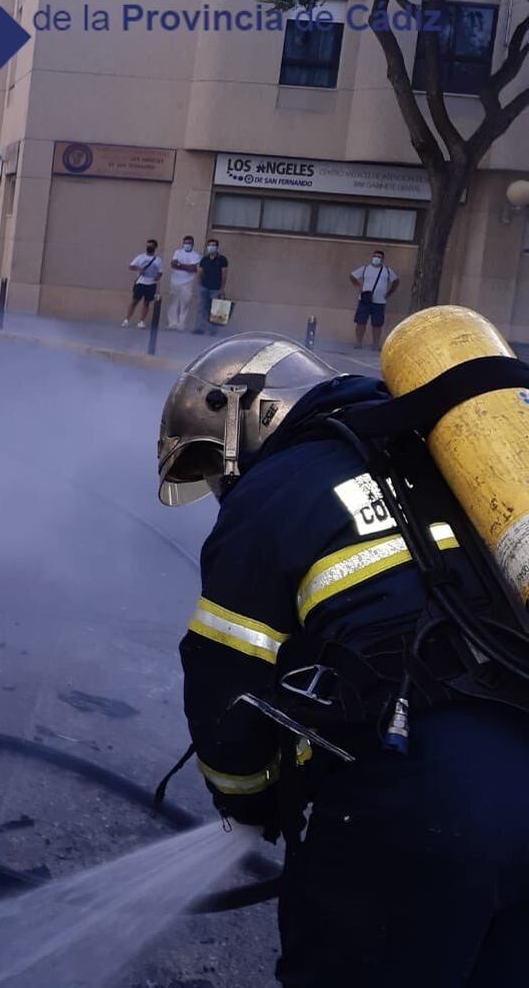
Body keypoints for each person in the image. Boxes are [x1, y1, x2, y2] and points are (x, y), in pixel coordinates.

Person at [156, 334, 529, 987]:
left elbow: (224, 678)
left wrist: (250, 801)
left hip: (414, 811)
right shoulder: (430, 451)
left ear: (248, 414)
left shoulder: (275, 492)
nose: (222, 484)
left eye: (215, 462)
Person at [350, 251, 399, 350]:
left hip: (379, 302)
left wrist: (389, 293)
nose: (377, 258)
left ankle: (375, 344)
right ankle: (358, 342)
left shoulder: (387, 270)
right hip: (365, 300)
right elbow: (352, 276)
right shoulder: (365, 268)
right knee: (361, 322)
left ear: (382, 259)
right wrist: (359, 286)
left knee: (377, 324)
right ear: (372, 257)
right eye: (375, 256)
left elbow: (396, 281)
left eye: (379, 257)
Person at [192, 238, 229, 335]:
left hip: (216, 288)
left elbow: (224, 274)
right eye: (209, 245)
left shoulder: (222, 260)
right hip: (204, 286)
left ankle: (213, 330)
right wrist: (200, 284)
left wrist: (222, 288)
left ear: (217, 247)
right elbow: (199, 272)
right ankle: (200, 328)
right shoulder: (204, 259)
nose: (211, 247)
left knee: (215, 309)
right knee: (201, 308)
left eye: (213, 245)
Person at [123, 238, 162, 328]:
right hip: (140, 282)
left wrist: (157, 276)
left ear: (155, 247)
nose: (149, 247)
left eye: (151, 245)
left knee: (146, 302)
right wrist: (139, 269)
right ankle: (126, 320)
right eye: (148, 245)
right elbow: (131, 266)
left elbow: (160, 272)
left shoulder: (158, 260)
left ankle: (141, 321)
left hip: (151, 283)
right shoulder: (140, 257)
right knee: (134, 301)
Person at [167, 236, 201, 331]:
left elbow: (193, 269)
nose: (187, 245)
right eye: (186, 243)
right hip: (175, 281)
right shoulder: (178, 252)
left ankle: (181, 324)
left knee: (185, 303)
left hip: (188, 282)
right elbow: (173, 264)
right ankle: (172, 323)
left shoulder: (196, 255)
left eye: (189, 243)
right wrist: (186, 267)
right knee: (173, 302)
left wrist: (180, 265)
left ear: (192, 244)